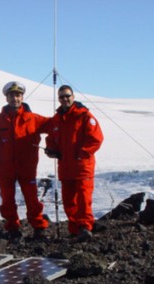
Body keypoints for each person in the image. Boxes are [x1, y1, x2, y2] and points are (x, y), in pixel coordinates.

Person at [0, 81, 50, 238]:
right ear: (6, 98)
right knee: (7, 200)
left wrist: (53, 145)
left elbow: (56, 126)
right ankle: (12, 227)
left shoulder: (33, 119)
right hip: (5, 168)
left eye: (18, 95)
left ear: (22, 97)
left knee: (32, 199)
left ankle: (38, 227)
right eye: (12, 95)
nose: (15, 98)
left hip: (27, 168)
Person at [45, 85, 104, 241]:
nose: (65, 99)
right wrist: (52, 150)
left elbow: (96, 139)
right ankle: (75, 229)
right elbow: (51, 138)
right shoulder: (57, 119)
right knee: (68, 200)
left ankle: (85, 228)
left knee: (84, 200)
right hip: (65, 167)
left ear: (73, 96)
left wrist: (81, 154)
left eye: (67, 96)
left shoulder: (84, 116)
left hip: (82, 167)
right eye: (62, 97)